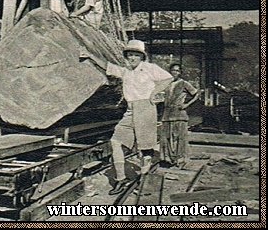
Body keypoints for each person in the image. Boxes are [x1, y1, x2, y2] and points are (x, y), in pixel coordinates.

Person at [80, 39, 173, 195]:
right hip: (130, 111)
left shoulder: (150, 68)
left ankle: (143, 178)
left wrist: (154, 93)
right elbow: (107, 66)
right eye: (130, 55)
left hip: (145, 108)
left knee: (145, 148)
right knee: (115, 141)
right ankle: (121, 179)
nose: (132, 58)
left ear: (141, 56)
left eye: (136, 55)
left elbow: (168, 78)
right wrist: (89, 55)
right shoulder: (126, 71)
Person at [160, 63, 200, 168]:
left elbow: (196, 94)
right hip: (167, 114)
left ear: (180, 73)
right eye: (173, 70)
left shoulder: (184, 83)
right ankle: (168, 159)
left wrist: (186, 104)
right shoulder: (166, 84)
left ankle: (180, 159)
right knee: (167, 137)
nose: (175, 72)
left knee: (179, 137)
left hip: (179, 114)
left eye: (177, 71)